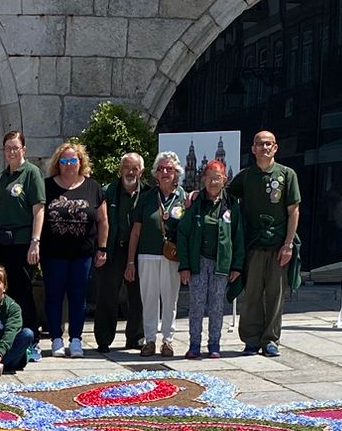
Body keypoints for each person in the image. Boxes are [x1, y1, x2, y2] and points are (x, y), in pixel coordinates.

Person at [228, 129, 301, 358]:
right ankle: (251, 339)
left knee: (275, 295)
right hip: (253, 244)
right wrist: (195, 196)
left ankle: (270, 340)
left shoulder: (287, 174)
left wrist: (288, 244)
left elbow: (293, 210)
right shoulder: (246, 176)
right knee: (251, 294)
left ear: (275, 147)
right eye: (260, 144)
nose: (265, 147)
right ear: (253, 149)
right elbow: (224, 196)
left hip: (278, 245)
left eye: (269, 144)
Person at [40, 142, 107, 359]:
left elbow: (103, 220)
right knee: (54, 295)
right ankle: (56, 339)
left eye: (73, 160)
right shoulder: (47, 186)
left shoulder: (93, 187)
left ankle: (76, 339)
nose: (69, 164)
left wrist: (102, 248)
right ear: (57, 163)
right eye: (64, 160)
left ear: (80, 162)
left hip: (83, 254)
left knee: (79, 297)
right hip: (53, 253)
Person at [178, 158, 239, 361]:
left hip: (221, 263)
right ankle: (194, 345)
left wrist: (237, 265)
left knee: (216, 305)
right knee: (196, 304)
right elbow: (183, 233)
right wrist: (185, 265)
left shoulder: (231, 204)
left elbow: (238, 235)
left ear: (225, 179)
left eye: (218, 178)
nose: (213, 182)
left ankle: (214, 344)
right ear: (203, 179)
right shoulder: (196, 203)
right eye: (210, 178)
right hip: (199, 262)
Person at [0, 131, 45, 334]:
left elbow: (39, 209)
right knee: (5, 290)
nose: (11, 152)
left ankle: (30, 335)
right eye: (7, 148)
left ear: (23, 149)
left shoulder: (31, 173)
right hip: (2, 242)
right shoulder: (2, 176)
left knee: (22, 290)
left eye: (15, 148)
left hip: (21, 242)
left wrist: (35, 241)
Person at [133, 151, 188, 357]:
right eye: (161, 169)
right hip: (147, 254)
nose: (165, 172)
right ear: (156, 173)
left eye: (169, 169)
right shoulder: (146, 197)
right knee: (149, 299)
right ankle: (149, 340)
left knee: (170, 299)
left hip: (172, 256)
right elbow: (136, 231)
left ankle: (168, 341)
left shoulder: (184, 197)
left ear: (176, 172)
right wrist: (130, 261)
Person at [94, 152, 147, 353]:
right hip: (113, 249)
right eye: (127, 167)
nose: (130, 172)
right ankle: (103, 339)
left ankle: (136, 337)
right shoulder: (107, 191)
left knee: (138, 295)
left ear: (141, 172)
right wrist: (101, 248)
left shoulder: (148, 192)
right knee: (107, 295)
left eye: (135, 168)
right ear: (120, 170)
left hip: (139, 250)